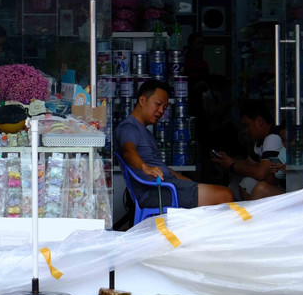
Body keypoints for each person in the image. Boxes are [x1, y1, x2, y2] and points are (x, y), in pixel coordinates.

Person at [116, 79, 234, 209]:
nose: (161, 111)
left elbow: (160, 167)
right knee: (225, 195)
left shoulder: (145, 131)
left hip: (166, 186)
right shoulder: (129, 127)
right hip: (155, 192)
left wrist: (184, 180)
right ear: (142, 100)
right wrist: (145, 168)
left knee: (221, 193)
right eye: (158, 104)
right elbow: (128, 151)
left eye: (164, 108)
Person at [211, 100, 287, 200]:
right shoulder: (260, 141)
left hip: (284, 189)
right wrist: (228, 161)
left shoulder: (273, 137)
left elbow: (261, 173)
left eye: (247, 125)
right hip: (275, 185)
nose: (246, 131)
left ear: (259, 121)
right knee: (236, 184)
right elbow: (249, 164)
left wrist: (232, 166)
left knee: (248, 184)